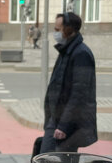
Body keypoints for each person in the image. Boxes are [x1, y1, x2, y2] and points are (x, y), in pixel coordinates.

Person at [40, 12, 97, 154]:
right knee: (45, 162)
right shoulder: (66, 50)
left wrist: (64, 126)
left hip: (66, 125)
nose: (55, 33)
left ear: (69, 29)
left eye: (58, 30)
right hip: (56, 119)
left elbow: (79, 94)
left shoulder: (81, 54)